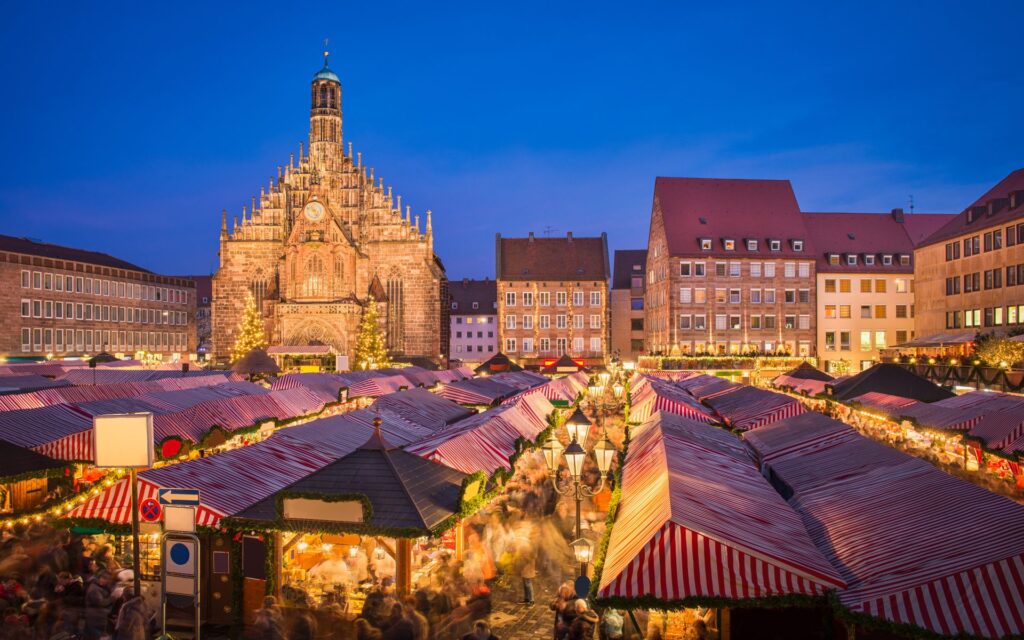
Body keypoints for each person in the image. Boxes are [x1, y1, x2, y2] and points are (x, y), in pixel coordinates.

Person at [83, 571, 113, 640]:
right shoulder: (94, 589)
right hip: (95, 617)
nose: (105, 581)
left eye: (107, 579)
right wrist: (112, 598)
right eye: (104, 578)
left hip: (99, 616)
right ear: (99, 578)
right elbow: (100, 602)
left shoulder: (102, 587)